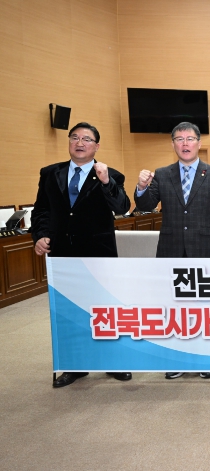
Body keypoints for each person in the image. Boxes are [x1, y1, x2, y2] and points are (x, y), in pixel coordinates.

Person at [32, 122, 132, 388]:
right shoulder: (50, 173)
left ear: (96, 146)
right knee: (69, 312)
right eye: (74, 137)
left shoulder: (111, 175)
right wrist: (40, 235)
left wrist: (106, 182)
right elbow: (42, 210)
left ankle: (114, 362)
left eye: (86, 139)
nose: (79, 143)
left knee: (104, 310)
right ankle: (75, 366)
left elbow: (122, 208)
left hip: (99, 255)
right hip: (63, 255)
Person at [135, 121, 210, 380]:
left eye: (190, 139)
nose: (185, 144)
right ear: (173, 144)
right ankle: (176, 358)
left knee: (204, 308)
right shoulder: (162, 174)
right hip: (171, 250)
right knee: (174, 307)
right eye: (179, 139)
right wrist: (141, 187)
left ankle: (205, 358)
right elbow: (145, 205)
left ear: (199, 143)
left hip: (205, 251)